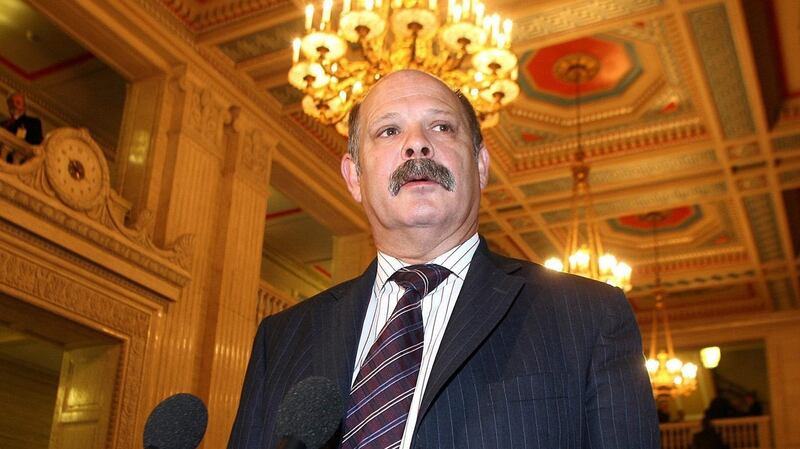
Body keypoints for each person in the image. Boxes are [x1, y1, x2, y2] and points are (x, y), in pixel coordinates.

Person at [227, 70, 659, 449]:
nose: (417, 144)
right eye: (389, 131)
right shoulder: (281, 339)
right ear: (354, 177)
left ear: (481, 164)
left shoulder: (588, 316)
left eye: (441, 127)